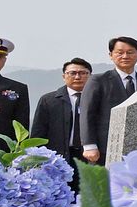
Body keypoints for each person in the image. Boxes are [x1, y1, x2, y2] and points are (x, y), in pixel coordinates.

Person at [79, 36, 137, 164]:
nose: (125, 56)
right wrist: (89, 145)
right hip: (106, 147)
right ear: (111, 55)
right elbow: (87, 113)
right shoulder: (98, 80)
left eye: (130, 52)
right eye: (120, 52)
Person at [31, 57, 92, 190]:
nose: (77, 77)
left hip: (89, 156)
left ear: (90, 76)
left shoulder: (98, 99)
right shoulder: (49, 100)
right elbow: (38, 133)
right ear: (64, 76)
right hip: (58, 158)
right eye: (72, 73)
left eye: (83, 73)